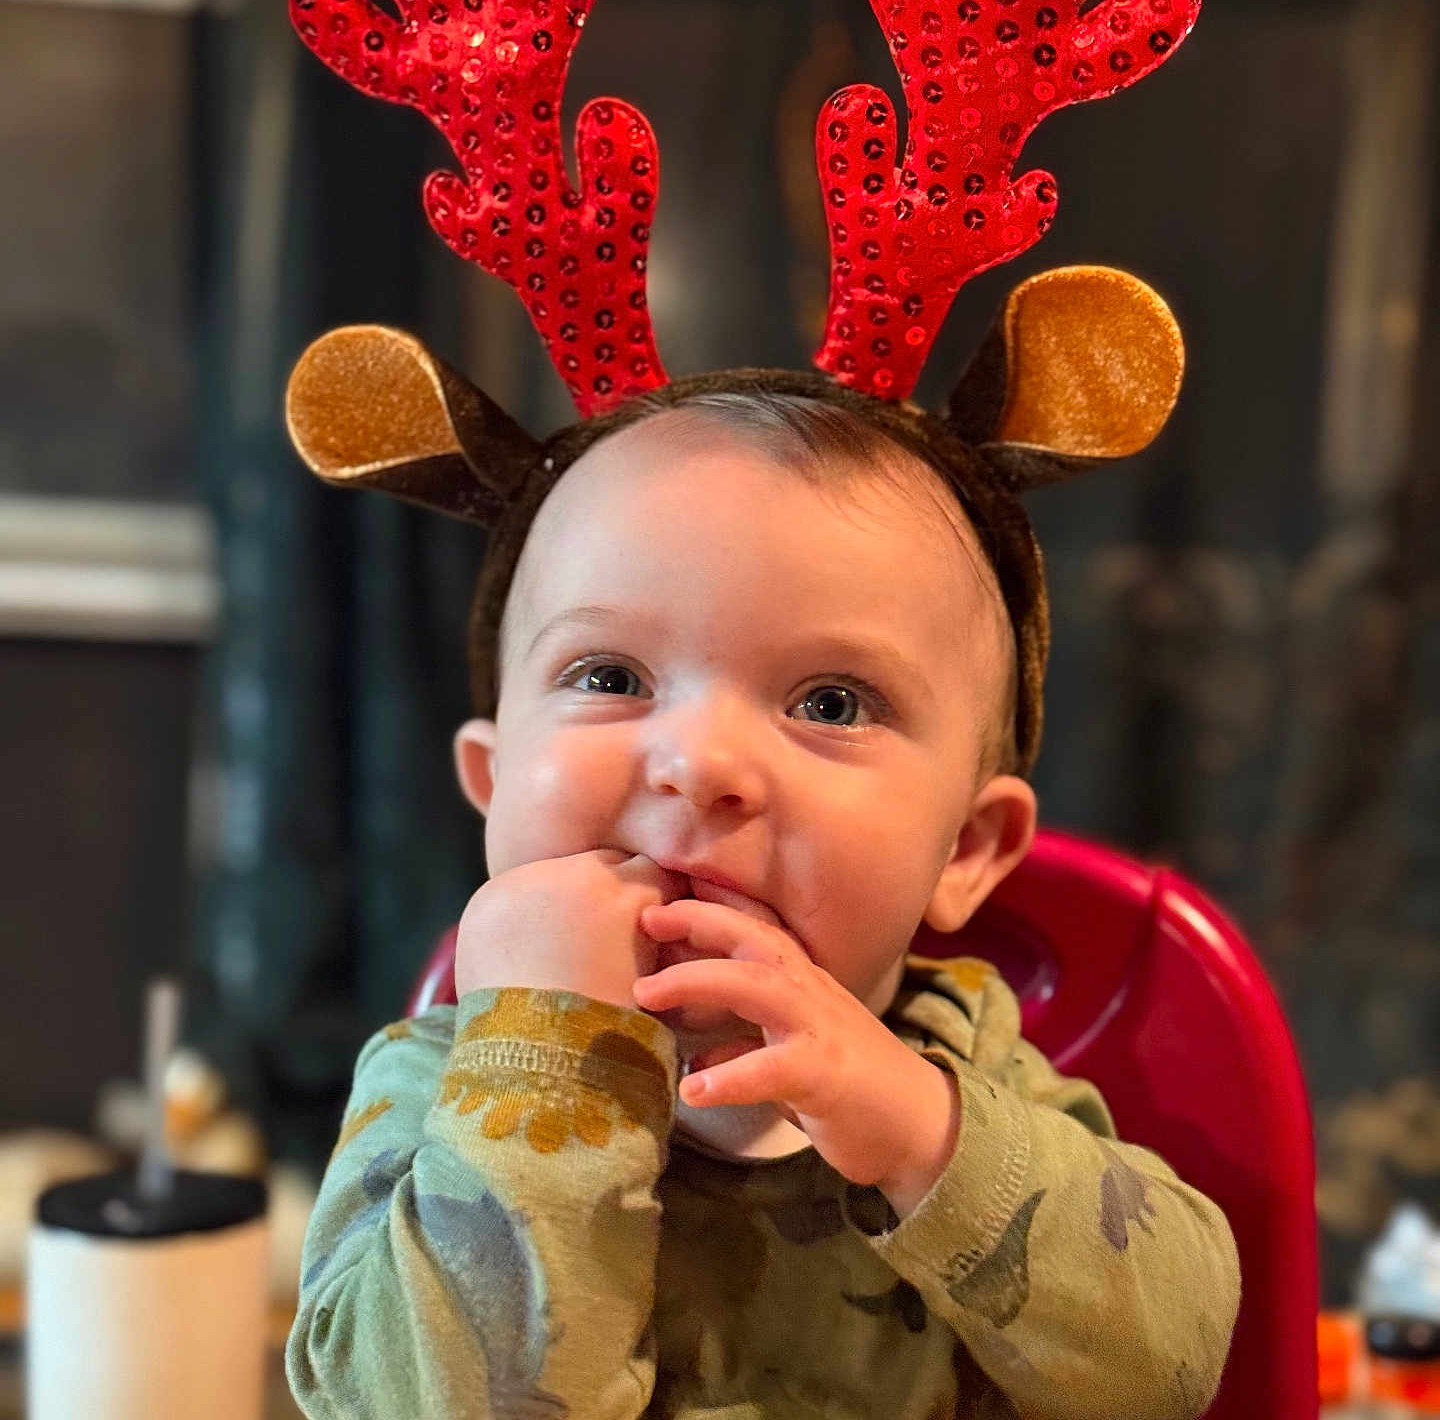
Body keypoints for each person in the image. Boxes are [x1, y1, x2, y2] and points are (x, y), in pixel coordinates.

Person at [283, 387, 1241, 1420]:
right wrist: (551, 1071)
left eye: (830, 702)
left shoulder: (967, 1075)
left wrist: (920, 1136)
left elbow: (1170, 1370)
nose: (699, 764)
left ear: (962, 850)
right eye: (610, 674)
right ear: (492, 784)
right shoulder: (435, 1091)